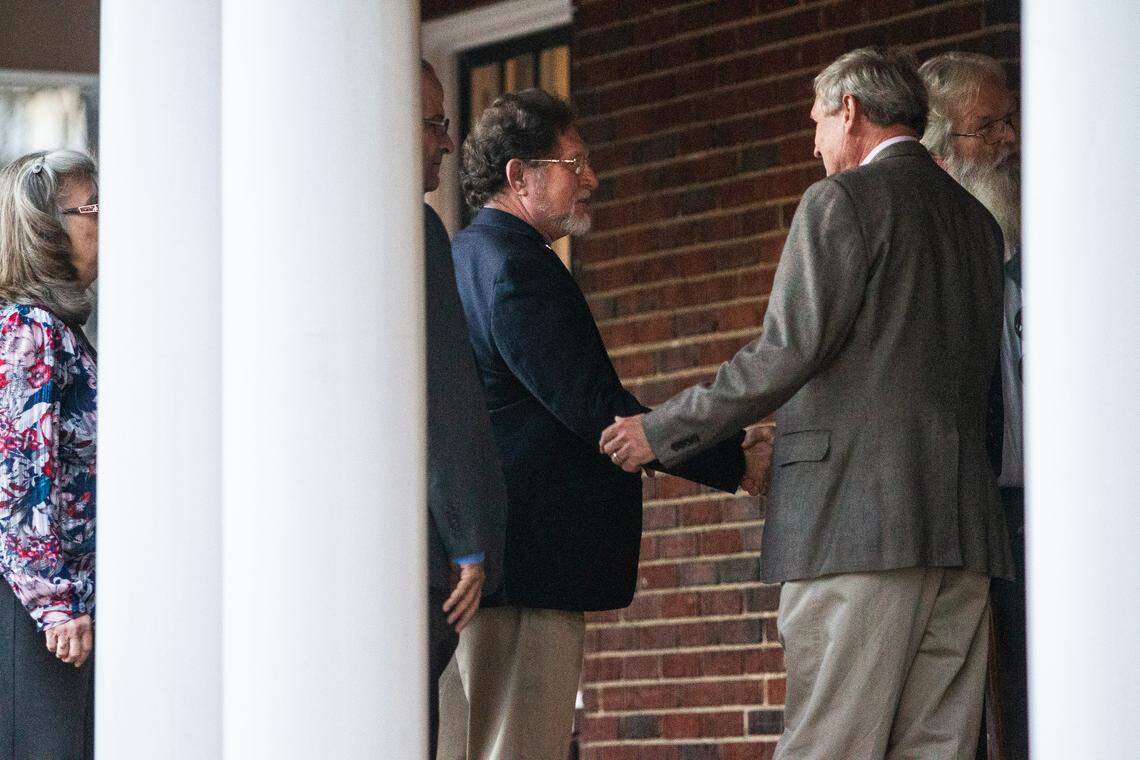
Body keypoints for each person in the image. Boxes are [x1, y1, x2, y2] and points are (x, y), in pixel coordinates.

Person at [601, 48, 1013, 760]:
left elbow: (782, 354)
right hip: (962, 534)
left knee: (830, 746)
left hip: (857, 528)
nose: (813, 142)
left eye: (816, 121)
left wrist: (661, 432)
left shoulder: (842, 202)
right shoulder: (978, 224)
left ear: (850, 110)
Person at [442, 88, 761, 759]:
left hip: (497, 559)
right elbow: (596, 411)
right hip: (532, 562)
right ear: (518, 176)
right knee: (519, 746)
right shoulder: (518, 269)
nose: (591, 178)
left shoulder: (464, 257)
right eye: (574, 162)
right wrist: (734, 461)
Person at [920, 51, 1026, 760]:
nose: (1008, 140)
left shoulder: (1040, 241)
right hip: (965, 513)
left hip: (1045, 512)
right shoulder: (925, 253)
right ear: (939, 146)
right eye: (987, 126)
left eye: (1009, 122)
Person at [419, 60, 508, 759]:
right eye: (433, 123)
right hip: (402, 553)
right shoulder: (410, 231)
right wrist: (469, 536)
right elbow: (444, 390)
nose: (446, 142)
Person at [0, 149, 99, 759]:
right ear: (46, 229)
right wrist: (56, 607)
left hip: (58, 611)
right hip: (36, 615)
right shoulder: (29, 332)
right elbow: (20, 481)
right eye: (93, 208)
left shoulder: (58, 328)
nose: (106, 222)